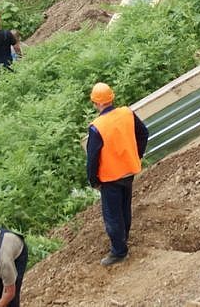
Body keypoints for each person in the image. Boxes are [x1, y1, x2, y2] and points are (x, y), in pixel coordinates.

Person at [86, 82, 149, 266]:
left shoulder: (97, 127)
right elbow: (143, 133)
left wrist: (93, 180)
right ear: (111, 98)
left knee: (113, 214)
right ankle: (123, 239)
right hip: (128, 171)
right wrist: (136, 155)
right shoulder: (127, 113)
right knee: (124, 207)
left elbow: (92, 158)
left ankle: (119, 251)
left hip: (110, 178)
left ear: (96, 103)